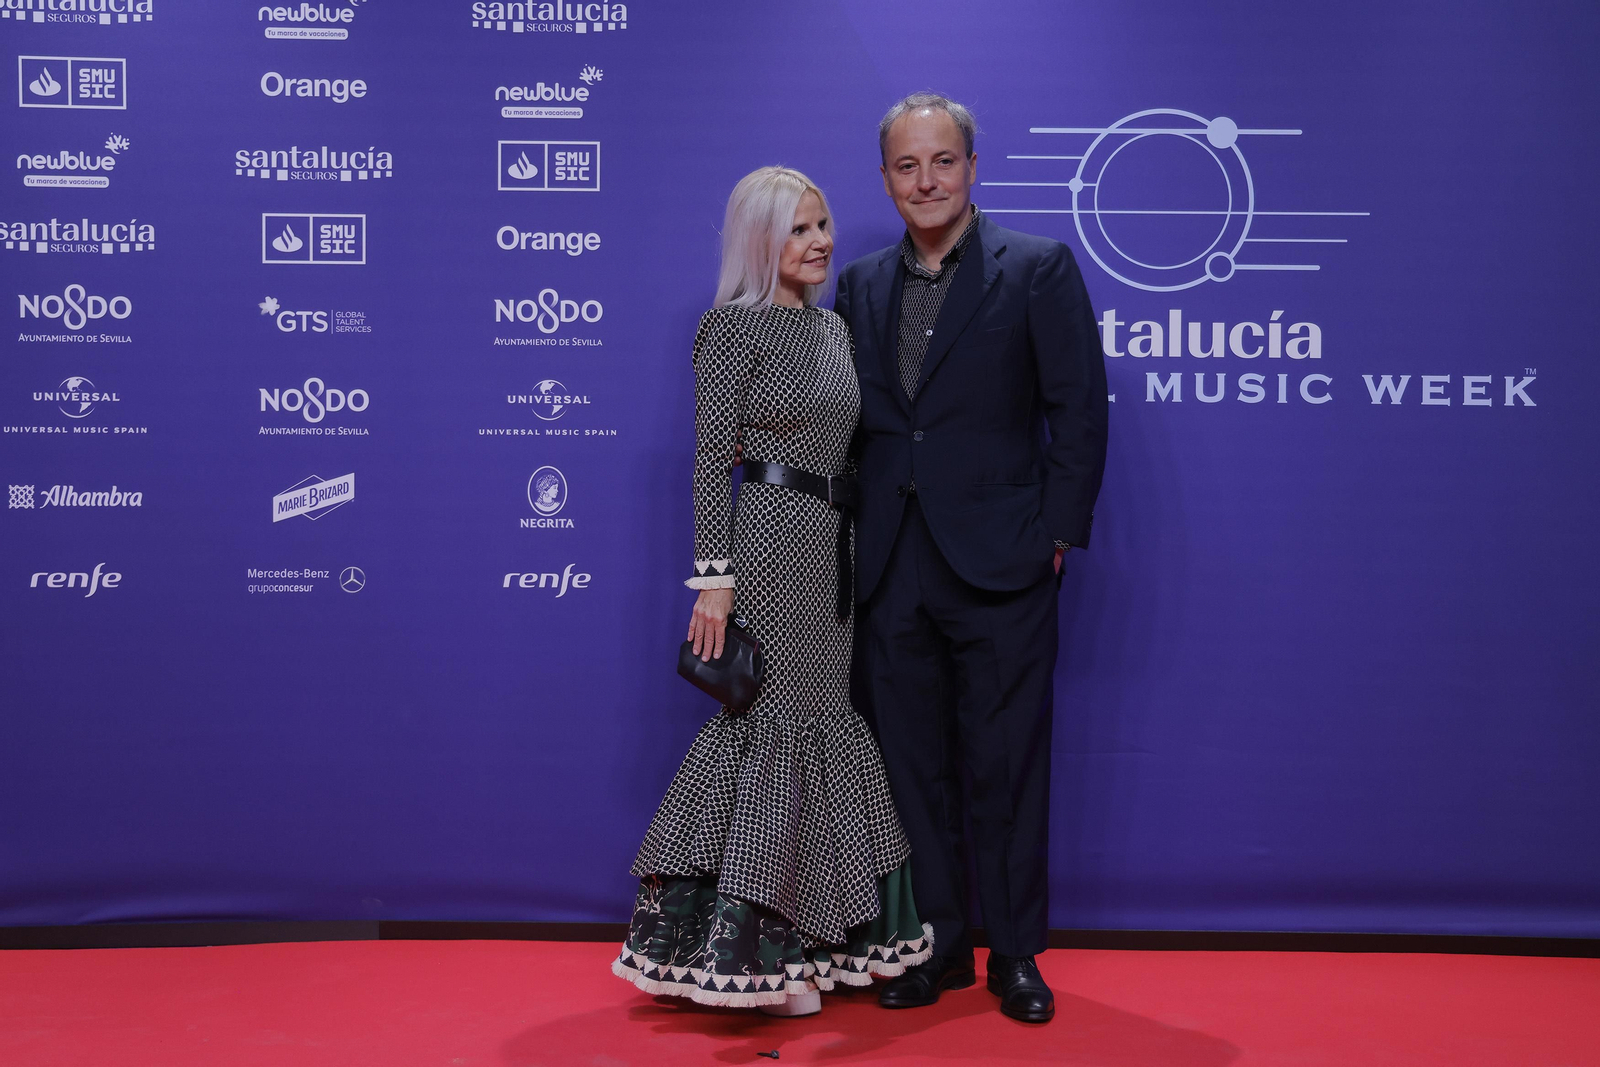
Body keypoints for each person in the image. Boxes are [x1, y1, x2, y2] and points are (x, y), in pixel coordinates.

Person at [612, 166, 932, 1017]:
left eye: (822, 224)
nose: (820, 241)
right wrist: (715, 583)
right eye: (798, 229)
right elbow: (710, 462)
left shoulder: (834, 332)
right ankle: (759, 953)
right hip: (765, 543)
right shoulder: (729, 329)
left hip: (834, 549)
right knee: (769, 728)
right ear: (760, 241)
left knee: (825, 722)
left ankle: (817, 945)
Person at [834, 93, 1109, 1024]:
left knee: (1007, 765)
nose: (926, 181)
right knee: (909, 770)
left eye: (942, 162)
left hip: (1004, 561)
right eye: (907, 167)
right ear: (886, 178)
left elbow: (1079, 410)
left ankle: (1018, 955)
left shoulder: (1036, 268)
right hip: (890, 563)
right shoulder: (861, 283)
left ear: (973, 166)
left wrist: (1057, 534)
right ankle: (937, 946)